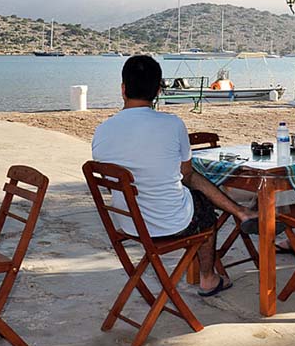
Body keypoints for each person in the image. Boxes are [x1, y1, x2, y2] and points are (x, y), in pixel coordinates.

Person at [92, 55, 258, 297]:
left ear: (123, 89)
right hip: (172, 223)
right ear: (158, 91)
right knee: (202, 207)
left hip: (129, 222)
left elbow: (112, 184)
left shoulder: (102, 131)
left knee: (190, 190)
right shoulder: (172, 124)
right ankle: (208, 277)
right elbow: (187, 175)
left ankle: (242, 212)